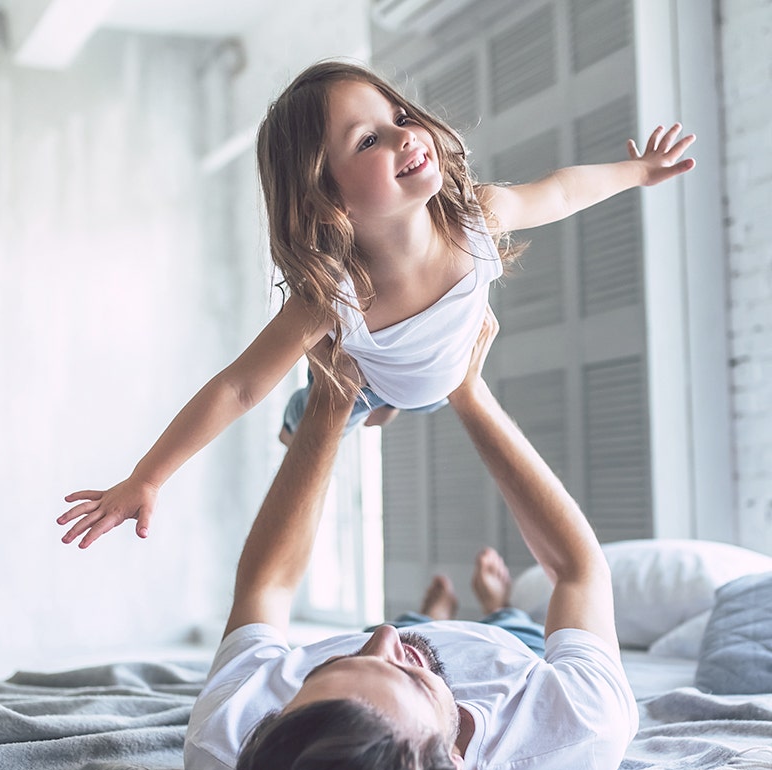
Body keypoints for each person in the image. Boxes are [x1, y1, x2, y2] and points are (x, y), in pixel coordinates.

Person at [57, 59, 695, 548]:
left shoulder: (477, 219)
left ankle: (388, 405)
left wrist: (637, 172)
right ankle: (354, 407)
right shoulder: (334, 299)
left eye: (399, 118)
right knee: (326, 403)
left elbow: (557, 193)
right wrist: (148, 475)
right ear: (324, 196)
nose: (403, 136)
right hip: (374, 379)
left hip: (445, 366)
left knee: (393, 396)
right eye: (368, 141)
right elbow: (239, 387)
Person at [183, 310, 639, 770]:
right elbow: (578, 572)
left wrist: (331, 398)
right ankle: (495, 605)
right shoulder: (577, 727)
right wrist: (468, 393)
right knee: (511, 621)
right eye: (408, 679)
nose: (382, 637)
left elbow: (267, 587)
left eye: (325, 673)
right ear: (455, 764)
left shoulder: (228, 738)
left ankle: (431, 617)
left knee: (409, 627)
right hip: (509, 650)